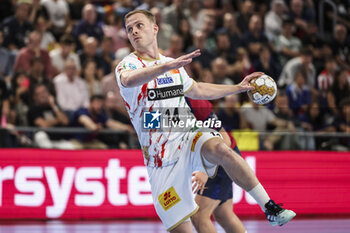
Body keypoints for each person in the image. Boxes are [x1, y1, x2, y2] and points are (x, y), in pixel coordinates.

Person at [116, 10, 295, 232]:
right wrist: (163, 67)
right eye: (129, 28)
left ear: (155, 29)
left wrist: (238, 88)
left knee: (221, 148)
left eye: (139, 25)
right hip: (161, 160)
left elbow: (198, 89)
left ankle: (269, 207)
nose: (133, 31)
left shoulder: (172, 65)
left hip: (187, 134)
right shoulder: (128, 65)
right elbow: (129, 80)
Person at [186, 97, 246, 233]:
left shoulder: (195, 102)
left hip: (221, 158)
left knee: (199, 215)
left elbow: (225, 141)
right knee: (223, 214)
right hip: (209, 156)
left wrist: (205, 169)